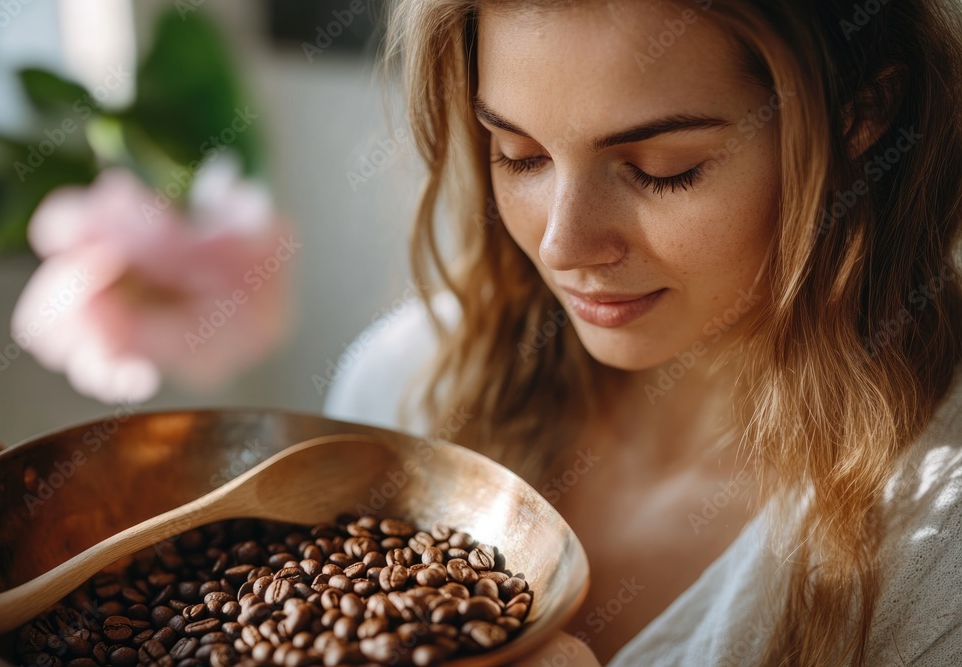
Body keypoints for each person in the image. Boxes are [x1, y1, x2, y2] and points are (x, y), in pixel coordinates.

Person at [324, 0, 962, 663]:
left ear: (859, 114)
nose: (562, 245)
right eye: (520, 156)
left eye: (663, 168)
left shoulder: (939, 550)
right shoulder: (401, 388)